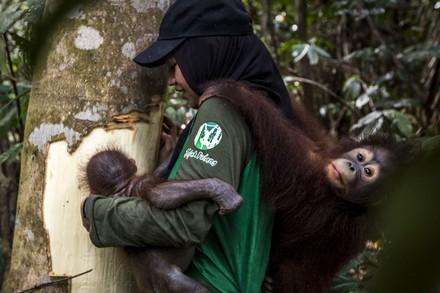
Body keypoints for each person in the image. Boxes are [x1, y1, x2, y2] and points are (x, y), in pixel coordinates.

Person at [81, 0, 294, 292]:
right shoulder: (264, 107)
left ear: (202, 53)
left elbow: (186, 220)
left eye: (175, 65)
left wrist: (97, 212)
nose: (172, 80)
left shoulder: (221, 110)